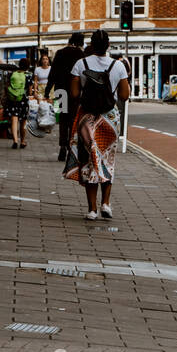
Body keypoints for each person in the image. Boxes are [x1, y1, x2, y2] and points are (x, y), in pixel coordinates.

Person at [65, 29, 130, 221]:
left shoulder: (80, 64)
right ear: (108, 45)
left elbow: (74, 94)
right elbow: (125, 96)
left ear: (91, 45)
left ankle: (92, 209)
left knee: (89, 160)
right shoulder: (118, 66)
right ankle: (106, 204)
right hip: (109, 119)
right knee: (107, 160)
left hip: (87, 117)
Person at [45, 32, 85, 162]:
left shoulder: (60, 52)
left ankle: (62, 146)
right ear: (80, 42)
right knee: (73, 120)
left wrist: (47, 91)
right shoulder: (80, 55)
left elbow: (53, 73)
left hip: (59, 91)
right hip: (75, 92)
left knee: (62, 120)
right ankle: (71, 148)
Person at [6, 58, 30, 149]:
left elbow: (7, 85)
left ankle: (15, 141)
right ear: (27, 66)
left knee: (14, 120)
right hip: (23, 100)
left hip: (13, 100)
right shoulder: (28, 75)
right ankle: (23, 141)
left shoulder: (12, 74)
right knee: (23, 122)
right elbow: (30, 92)